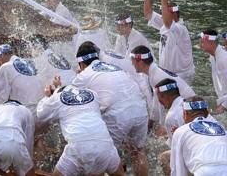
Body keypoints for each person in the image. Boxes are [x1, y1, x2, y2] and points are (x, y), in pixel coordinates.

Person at [72, 41, 149, 176]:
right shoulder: (113, 66)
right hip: (140, 109)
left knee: (103, 155)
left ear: (82, 64)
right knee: (137, 151)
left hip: (118, 114)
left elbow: (70, 98)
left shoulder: (84, 74)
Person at [37, 84, 125, 176]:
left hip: (78, 148)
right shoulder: (92, 93)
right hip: (105, 144)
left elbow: (41, 114)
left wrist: (46, 97)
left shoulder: (56, 98)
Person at [129, 45, 195, 134]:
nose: (132, 65)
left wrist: (162, 126)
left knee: (163, 134)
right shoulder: (154, 71)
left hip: (189, 107)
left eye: (133, 63)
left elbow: (161, 106)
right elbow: (157, 102)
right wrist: (152, 120)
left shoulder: (157, 76)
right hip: (186, 103)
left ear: (141, 63)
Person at [144, 0, 195, 85]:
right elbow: (148, 14)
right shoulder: (165, 23)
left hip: (182, 75)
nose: (162, 15)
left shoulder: (181, 29)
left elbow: (167, 22)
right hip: (167, 73)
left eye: (164, 12)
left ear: (175, 15)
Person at [170, 96, 227, 175]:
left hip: (204, 172)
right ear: (207, 113)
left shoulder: (180, 131)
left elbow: (177, 170)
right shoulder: (222, 129)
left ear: (185, 114)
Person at [0, 44, 43, 117]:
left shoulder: (6, 67)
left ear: (0, 58)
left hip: (25, 112)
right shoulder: (29, 62)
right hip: (40, 110)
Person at [198, 28, 227, 114]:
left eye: (202, 42)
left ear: (211, 43)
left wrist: (224, 105)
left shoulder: (223, 60)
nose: (200, 45)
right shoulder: (213, 55)